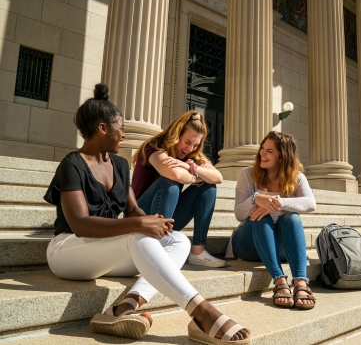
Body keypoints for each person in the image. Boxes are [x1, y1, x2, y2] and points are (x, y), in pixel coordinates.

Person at [44, 84, 250, 343]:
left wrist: (153, 223)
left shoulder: (118, 164)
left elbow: (132, 210)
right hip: (67, 251)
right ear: (102, 128)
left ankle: (125, 307)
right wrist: (141, 224)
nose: (124, 134)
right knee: (136, 234)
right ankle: (203, 312)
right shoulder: (72, 164)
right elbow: (81, 225)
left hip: (102, 253)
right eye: (121, 128)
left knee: (178, 240)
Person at [226, 131, 317, 310]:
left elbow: (310, 203)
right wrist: (255, 200)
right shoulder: (247, 174)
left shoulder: (297, 178)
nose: (262, 153)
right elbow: (238, 214)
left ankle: (300, 282)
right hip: (248, 244)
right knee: (260, 215)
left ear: (283, 156)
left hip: (281, 247)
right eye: (262, 148)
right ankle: (279, 279)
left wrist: (280, 203)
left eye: (269, 151)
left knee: (292, 218)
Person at [131, 110, 226, 268]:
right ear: (177, 134)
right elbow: (173, 174)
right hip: (140, 217)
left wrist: (190, 167)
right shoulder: (154, 148)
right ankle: (155, 248)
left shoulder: (190, 157)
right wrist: (196, 175)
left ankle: (198, 251)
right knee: (169, 183)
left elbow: (218, 177)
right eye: (187, 142)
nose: (190, 148)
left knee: (208, 187)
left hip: (168, 218)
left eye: (195, 145)